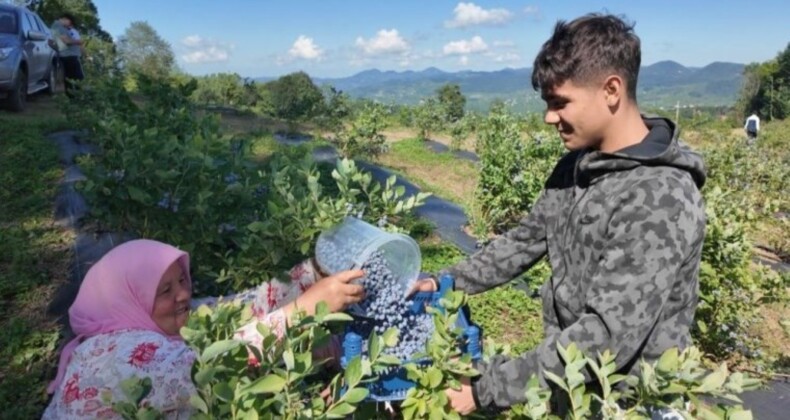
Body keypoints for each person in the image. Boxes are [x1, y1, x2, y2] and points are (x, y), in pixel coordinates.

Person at [413, 14, 707, 414]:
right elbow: (521, 242)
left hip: (627, 404)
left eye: (560, 102)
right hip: (573, 389)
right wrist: (442, 281)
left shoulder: (660, 197)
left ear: (611, 90)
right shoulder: (575, 168)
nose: (549, 117)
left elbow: (605, 335)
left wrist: (488, 388)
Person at [43, 239, 365, 418]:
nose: (183, 294)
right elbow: (213, 368)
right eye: (165, 290)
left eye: (182, 279)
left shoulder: (150, 319)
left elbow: (243, 306)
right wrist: (302, 311)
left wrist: (316, 272)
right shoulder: (120, 355)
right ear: (132, 297)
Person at [50, 13, 84, 97]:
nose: (69, 25)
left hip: (68, 55)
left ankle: (73, 96)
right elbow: (66, 41)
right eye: (69, 22)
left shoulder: (60, 27)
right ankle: (75, 97)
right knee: (77, 77)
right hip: (68, 56)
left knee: (71, 77)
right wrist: (78, 42)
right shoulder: (58, 26)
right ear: (65, 19)